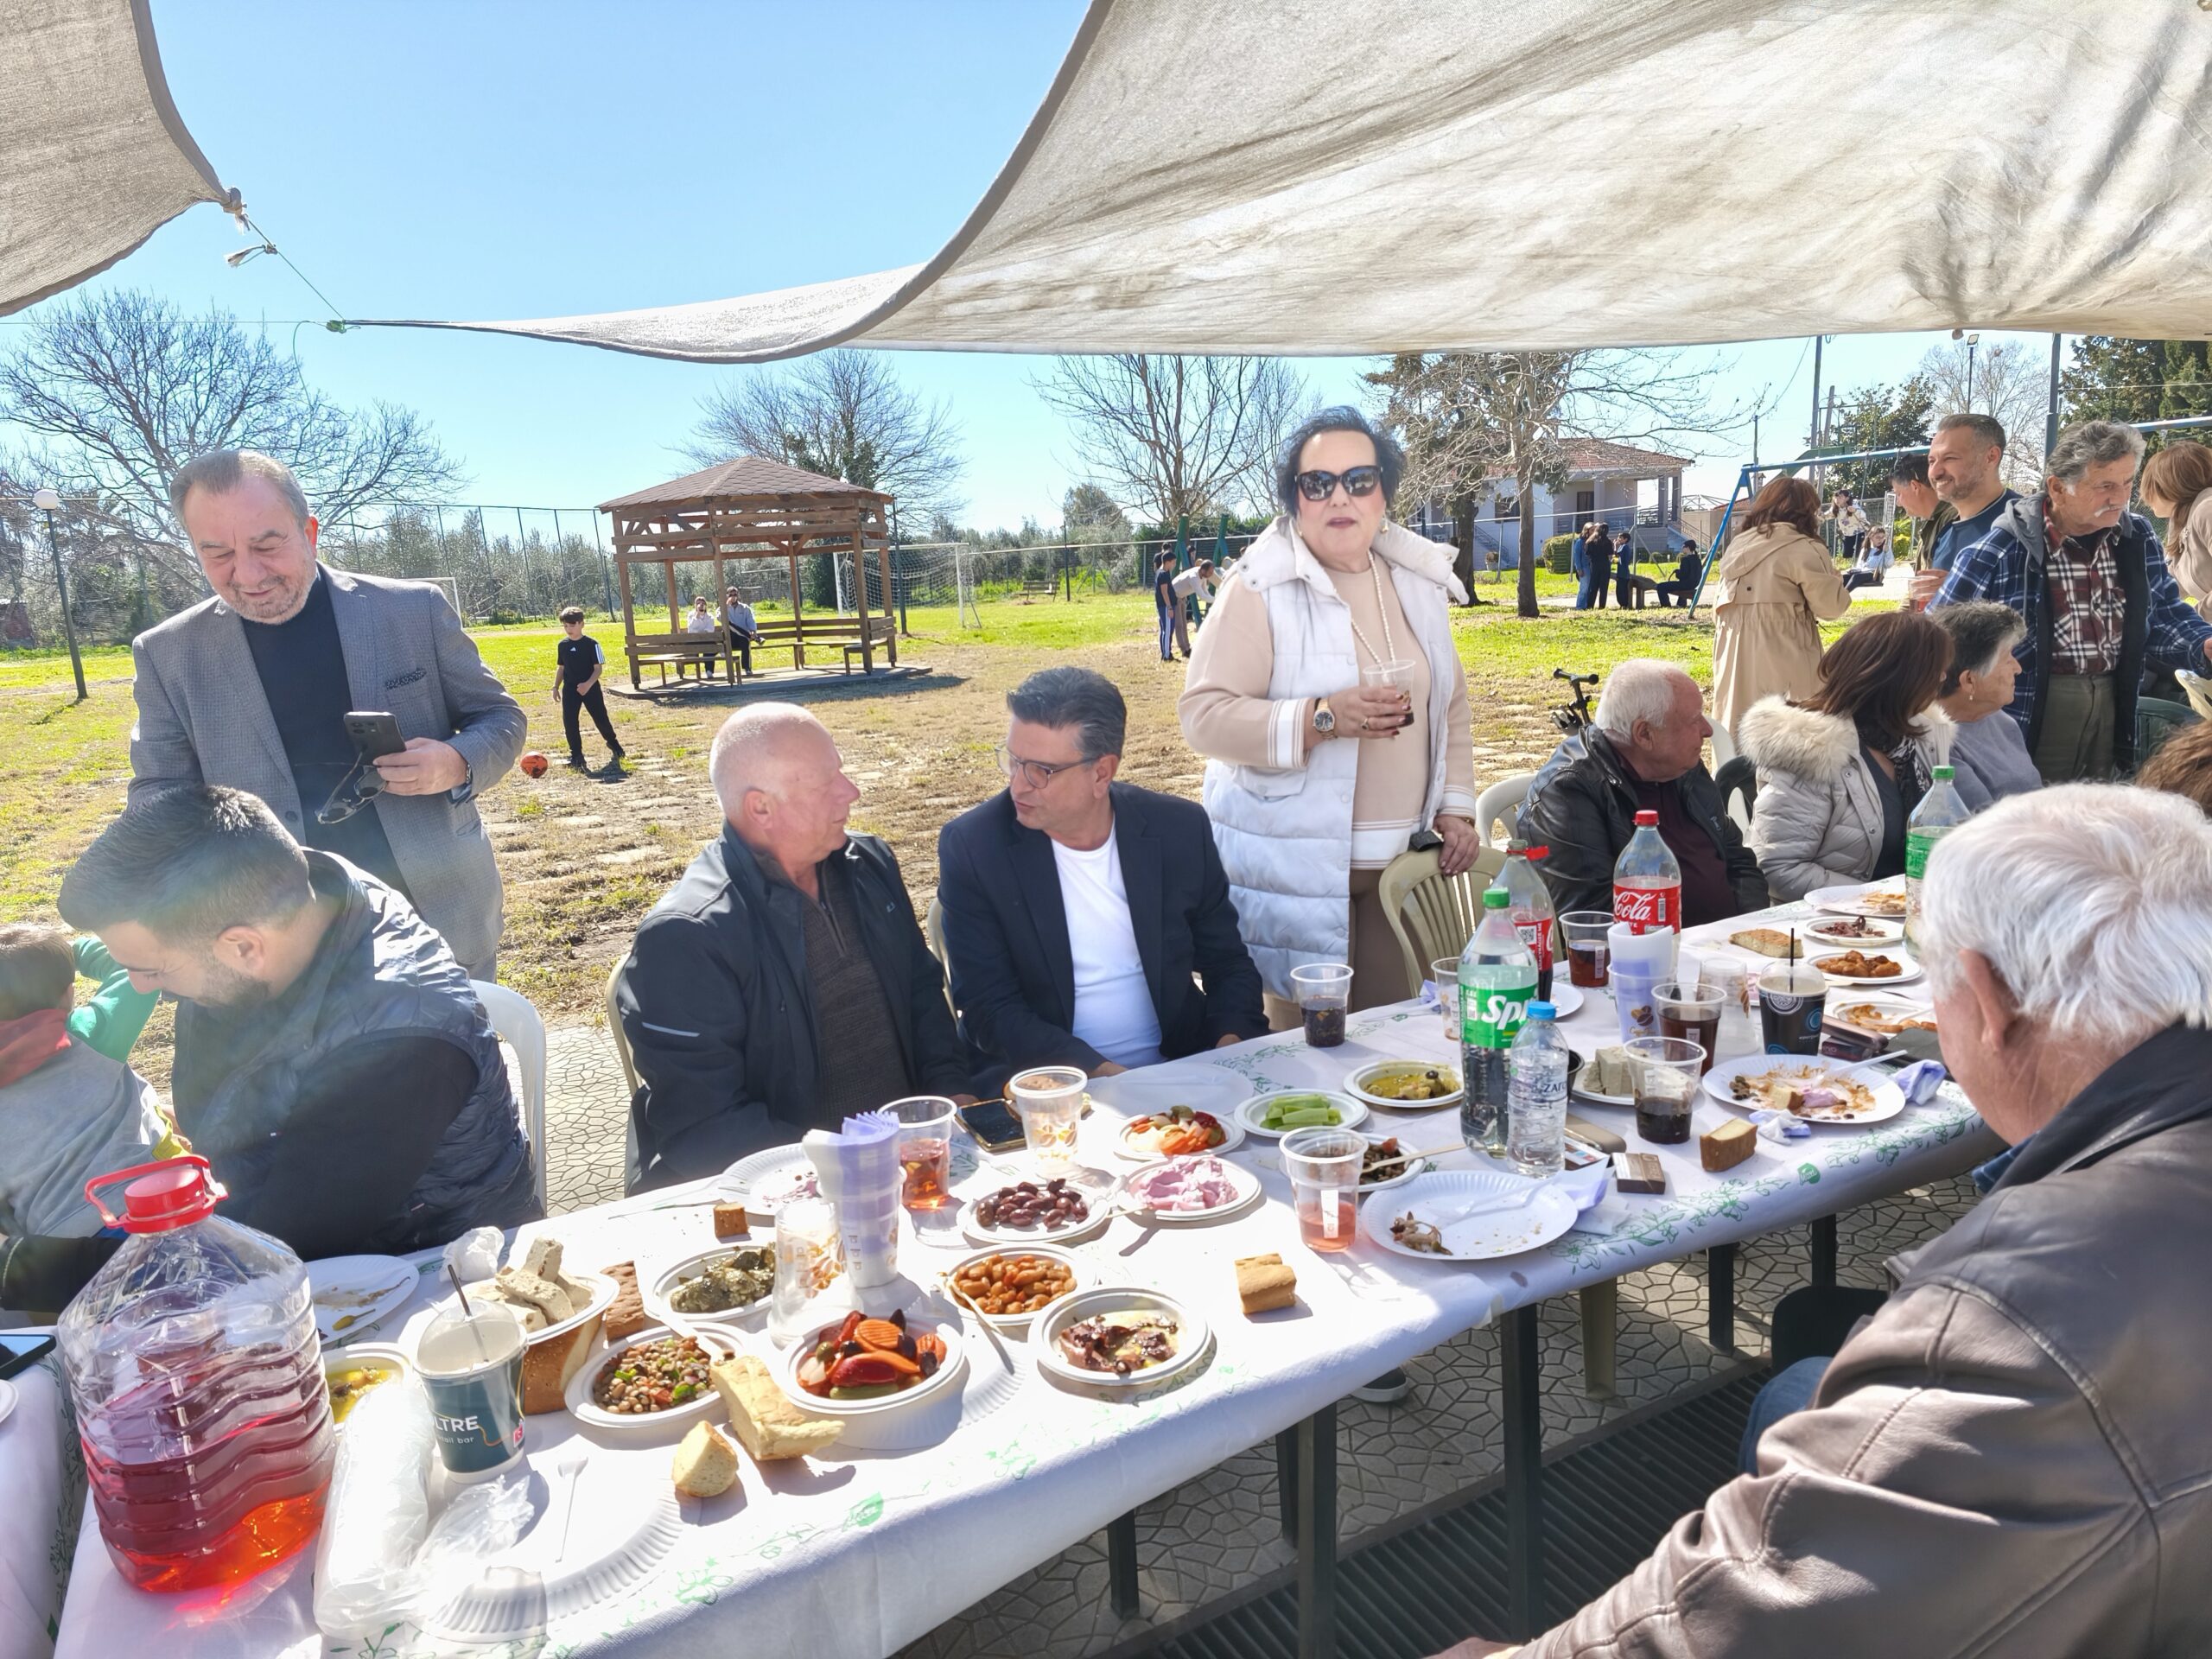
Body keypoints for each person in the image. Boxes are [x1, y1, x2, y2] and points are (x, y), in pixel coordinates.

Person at [1437, 785, 2212, 1659]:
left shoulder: (2023, 1304)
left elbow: (1778, 1599)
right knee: (1804, 1363)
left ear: (1985, 1001)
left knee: (1791, 1389)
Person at [56, 785, 538, 1258]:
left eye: (152, 969)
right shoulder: (294, 890)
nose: (141, 988)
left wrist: (28, 1272)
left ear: (244, 946)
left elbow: (276, 1248)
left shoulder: (399, 1049)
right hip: (294, 1224)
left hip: (430, 1271)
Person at [131, 449, 525, 980]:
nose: (247, 574)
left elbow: (499, 718)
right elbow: (157, 790)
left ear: (310, 531)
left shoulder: (414, 611)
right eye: (217, 554)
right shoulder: (167, 653)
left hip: (439, 914)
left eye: (266, 545)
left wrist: (456, 762)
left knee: (459, 1064)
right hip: (276, 943)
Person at [1179, 406, 1479, 1019]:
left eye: (1359, 480)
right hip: (1293, 873)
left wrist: (1455, 808)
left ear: (1384, 493)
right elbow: (1203, 717)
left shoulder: (1416, 581)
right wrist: (1322, 719)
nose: (1339, 496)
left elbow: (1451, 705)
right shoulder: (1257, 588)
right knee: (1309, 1065)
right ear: (1295, 498)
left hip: (1402, 867)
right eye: (1317, 483)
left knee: (1399, 1052)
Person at [615, 704, 976, 1190]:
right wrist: (852, 1162)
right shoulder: (686, 935)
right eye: (827, 782)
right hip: (790, 1195)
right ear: (761, 807)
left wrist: (949, 1097)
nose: (852, 792)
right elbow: (703, 1127)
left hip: (916, 1165)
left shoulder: (867, 864)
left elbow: (922, 997)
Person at [938, 667, 1264, 1086]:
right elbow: (988, 1006)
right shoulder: (976, 845)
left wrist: (1229, 1047)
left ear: (1101, 773)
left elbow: (1228, 964)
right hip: (1047, 1084)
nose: (1018, 786)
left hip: (1183, 1064)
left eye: (1041, 771)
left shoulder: (1178, 828)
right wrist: (1107, 1076)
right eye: (1014, 761)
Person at [1933, 419, 2212, 782]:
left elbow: (2161, 615)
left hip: (2114, 701)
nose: (2120, 497)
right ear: (2058, 488)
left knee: (2096, 808)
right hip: (2028, 709)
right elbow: (1933, 639)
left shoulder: (2135, 537)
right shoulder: (2000, 549)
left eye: (2127, 483)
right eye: (2105, 486)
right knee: (2035, 810)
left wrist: (2202, 645)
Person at [1519, 660, 1768, 925]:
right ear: (1645, 734)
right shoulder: (1567, 792)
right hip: (1655, 958)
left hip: (1730, 948)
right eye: (1695, 720)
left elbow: (1737, 860)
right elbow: (1591, 918)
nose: (1707, 730)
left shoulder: (1682, 767)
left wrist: (1748, 929)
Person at [1737, 610, 1955, 900]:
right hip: (1828, 923)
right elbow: (1778, 868)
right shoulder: (1811, 748)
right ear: (1899, 679)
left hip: (1908, 910)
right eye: (1934, 673)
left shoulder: (1919, 737)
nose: (1943, 678)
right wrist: (1883, 897)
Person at [0, 925, 168, 1243]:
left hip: (62, 1248)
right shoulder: (86, 1034)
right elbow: (134, 970)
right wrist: (73, 951)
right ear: (68, 994)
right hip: (154, 1202)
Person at [1707, 475, 1853, 735]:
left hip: (1732, 654)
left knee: (1736, 731)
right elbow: (1831, 608)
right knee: (1789, 738)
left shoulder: (1737, 547)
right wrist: (1836, 580)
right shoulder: (1804, 548)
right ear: (1807, 512)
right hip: (1785, 652)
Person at [1929, 601, 2041, 810]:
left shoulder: (2000, 720)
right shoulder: (1940, 742)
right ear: (1969, 681)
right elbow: (1982, 822)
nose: (2017, 668)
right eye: (2007, 659)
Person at [1905, 412, 2018, 607]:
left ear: (1991, 457)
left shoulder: (2024, 522)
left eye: (1949, 458)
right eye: (1932, 461)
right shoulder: (1946, 531)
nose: (1936, 472)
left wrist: (1960, 589)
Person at [2141, 438, 2212, 615]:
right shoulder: (2181, 520)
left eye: (2151, 484)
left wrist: (2194, 618)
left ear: (2171, 484)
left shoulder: (2207, 510)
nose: (2144, 496)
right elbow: (2171, 584)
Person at [550, 605, 625, 771]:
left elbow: (598, 669)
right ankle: (576, 755)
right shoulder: (562, 645)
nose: (568, 629)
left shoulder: (592, 644)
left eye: (572, 625)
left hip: (590, 688)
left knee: (600, 718)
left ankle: (614, 745)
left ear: (581, 624)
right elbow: (561, 667)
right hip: (570, 690)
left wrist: (587, 684)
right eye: (565, 626)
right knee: (569, 722)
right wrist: (555, 686)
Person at [1889, 448, 1952, 572]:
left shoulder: (1953, 522)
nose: (1899, 503)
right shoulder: (1935, 523)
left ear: (1915, 487)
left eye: (1899, 494)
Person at [1154, 554, 1188, 660]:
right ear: (1167, 562)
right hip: (1165, 606)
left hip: (1166, 606)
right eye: (1173, 562)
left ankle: (1166, 652)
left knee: (1166, 630)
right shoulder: (1163, 574)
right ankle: (1167, 655)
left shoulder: (1163, 572)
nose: (1174, 565)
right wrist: (1169, 607)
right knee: (1168, 630)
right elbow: (1164, 592)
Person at [723, 586, 764, 676]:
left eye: (735, 594)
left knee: (745, 642)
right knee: (731, 625)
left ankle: (747, 668)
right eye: (731, 595)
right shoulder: (723, 608)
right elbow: (720, 618)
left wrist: (753, 631)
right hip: (730, 638)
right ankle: (756, 638)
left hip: (742, 637)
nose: (733, 597)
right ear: (727, 596)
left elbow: (751, 620)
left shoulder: (745, 608)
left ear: (738, 595)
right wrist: (726, 605)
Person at [678, 593, 719, 681]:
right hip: (694, 640)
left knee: (710, 647)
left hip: (707, 640)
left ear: (706, 606)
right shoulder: (691, 615)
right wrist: (696, 617)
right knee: (696, 646)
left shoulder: (710, 617)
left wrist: (701, 633)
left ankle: (709, 671)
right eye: (698, 604)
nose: (701, 605)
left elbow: (710, 630)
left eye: (703, 604)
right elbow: (691, 630)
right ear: (695, 606)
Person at [1650, 538, 1702, 607]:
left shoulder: (1685, 560)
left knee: (1660, 587)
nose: (1682, 548)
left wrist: (1677, 573)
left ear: (1688, 548)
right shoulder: (1698, 560)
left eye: (1683, 546)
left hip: (1685, 585)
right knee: (1679, 585)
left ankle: (1666, 606)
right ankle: (1680, 604)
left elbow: (1683, 575)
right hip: (1694, 584)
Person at [1840, 524, 1893, 591]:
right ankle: (1836, 596)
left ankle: (1843, 596)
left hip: (1875, 574)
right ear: (1871, 537)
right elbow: (1859, 566)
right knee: (1844, 577)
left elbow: (1889, 565)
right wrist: (1854, 570)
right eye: (1878, 537)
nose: (1881, 540)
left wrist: (1887, 552)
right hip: (1863, 573)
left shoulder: (1885, 549)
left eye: (1883, 537)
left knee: (1856, 577)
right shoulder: (1865, 550)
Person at [1574, 523, 1612, 611]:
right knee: (1603, 588)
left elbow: (1587, 553)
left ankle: (1589, 606)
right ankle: (1602, 607)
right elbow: (1610, 554)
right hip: (1605, 565)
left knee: (1593, 587)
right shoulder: (1608, 541)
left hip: (1594, 565)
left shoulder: (1591, 541)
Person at [1833, 491, 1870, 565]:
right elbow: (1826, 515)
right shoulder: (1835, 509)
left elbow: (1863, 515)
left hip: (1859, 532)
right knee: (1847, 553)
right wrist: (1819, 515)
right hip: (1847, 534)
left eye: (1840, 497)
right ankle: (1851, 566)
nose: (1837, 499)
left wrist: (1855, 511)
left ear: (1846, 498)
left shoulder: (1854, 505)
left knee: (1859, 552)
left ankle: (1859, 565)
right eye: (1835, 497)